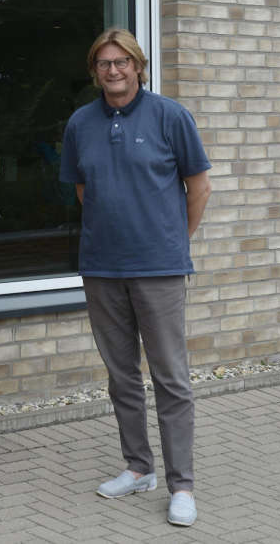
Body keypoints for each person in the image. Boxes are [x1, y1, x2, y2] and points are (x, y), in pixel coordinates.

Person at [59, 28, 211, 527]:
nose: (113, 70)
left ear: (138, 66)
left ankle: (181, 484)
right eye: (103, 63)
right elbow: (84, 190)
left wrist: (171, 240)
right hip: (102, 267)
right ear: (94, 70)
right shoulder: (81, 123)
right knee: (121, 377)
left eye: (122, 61)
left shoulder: (170, 116)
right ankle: (138, 467)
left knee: (171, 379)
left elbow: (199, 186)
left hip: (160, 268)